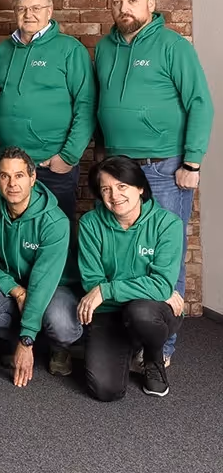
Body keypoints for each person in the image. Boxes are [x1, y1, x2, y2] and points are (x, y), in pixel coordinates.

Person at [94, 0, 213, 364]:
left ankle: (162, 348)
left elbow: (200, 103)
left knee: (167, 257)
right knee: (119, 253)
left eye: (131, 0)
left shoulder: (173, 46)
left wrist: (192, 161)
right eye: (116, 1)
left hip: (163, 168)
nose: (123, 8)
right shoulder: (105, 48)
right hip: (117, 169)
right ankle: (125, 337)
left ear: (150, 3)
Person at [0, 147, 81, 386]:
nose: (12, 183)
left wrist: (27, 339)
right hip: (12, 284)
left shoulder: (55, 221)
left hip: (54, 287)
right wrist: (16, 290)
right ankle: (14, 339)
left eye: (19, 175)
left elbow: (43, 279)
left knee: (63, 323)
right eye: (4, 176)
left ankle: (58, 347)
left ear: (32, 178)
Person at [77, 156, 183, 400]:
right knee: (105, 390)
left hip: (151, 312)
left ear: (140, 187)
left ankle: (153, 357)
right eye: (106, 189)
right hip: (109, 313)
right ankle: (128, 343)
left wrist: (107, 290)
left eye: (122, 186)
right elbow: (92, 283)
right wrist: (153, 287)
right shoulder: (90, 224)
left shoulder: (168, 224)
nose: (115, 196)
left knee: (141, 313)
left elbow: (161, 285)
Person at [0, 0, 95, 226]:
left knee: (56, 230)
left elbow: (86, 104)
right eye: (22, 8)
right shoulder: (3, 50)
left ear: (50, 12)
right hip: (10, 165)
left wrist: (68, 156)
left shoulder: (70, 49)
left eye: (36, 8)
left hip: (51, 163)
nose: (29, 14)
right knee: (13, 230)